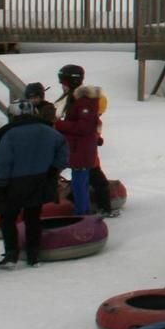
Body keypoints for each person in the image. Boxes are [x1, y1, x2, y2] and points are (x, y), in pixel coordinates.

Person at [0, 88, 66, 269]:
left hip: (15, 183)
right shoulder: (48, 131)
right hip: (40, 179)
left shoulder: (10, 135)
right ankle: (33, 255)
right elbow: (63, 150)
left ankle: (11, 255)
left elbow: (2, 162)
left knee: (8, 218)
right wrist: (53, 170)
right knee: (33, 217)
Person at [57, 64, 113, 217]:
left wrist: (57, 124)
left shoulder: (84, 101)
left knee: (82, 182)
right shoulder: (73, 99)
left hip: (81, 150)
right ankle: (79, 208)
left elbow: (84, 127)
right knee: (78, 182)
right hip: (75, 148)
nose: (62, 86)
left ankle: (84, 214)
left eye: (63, 83)